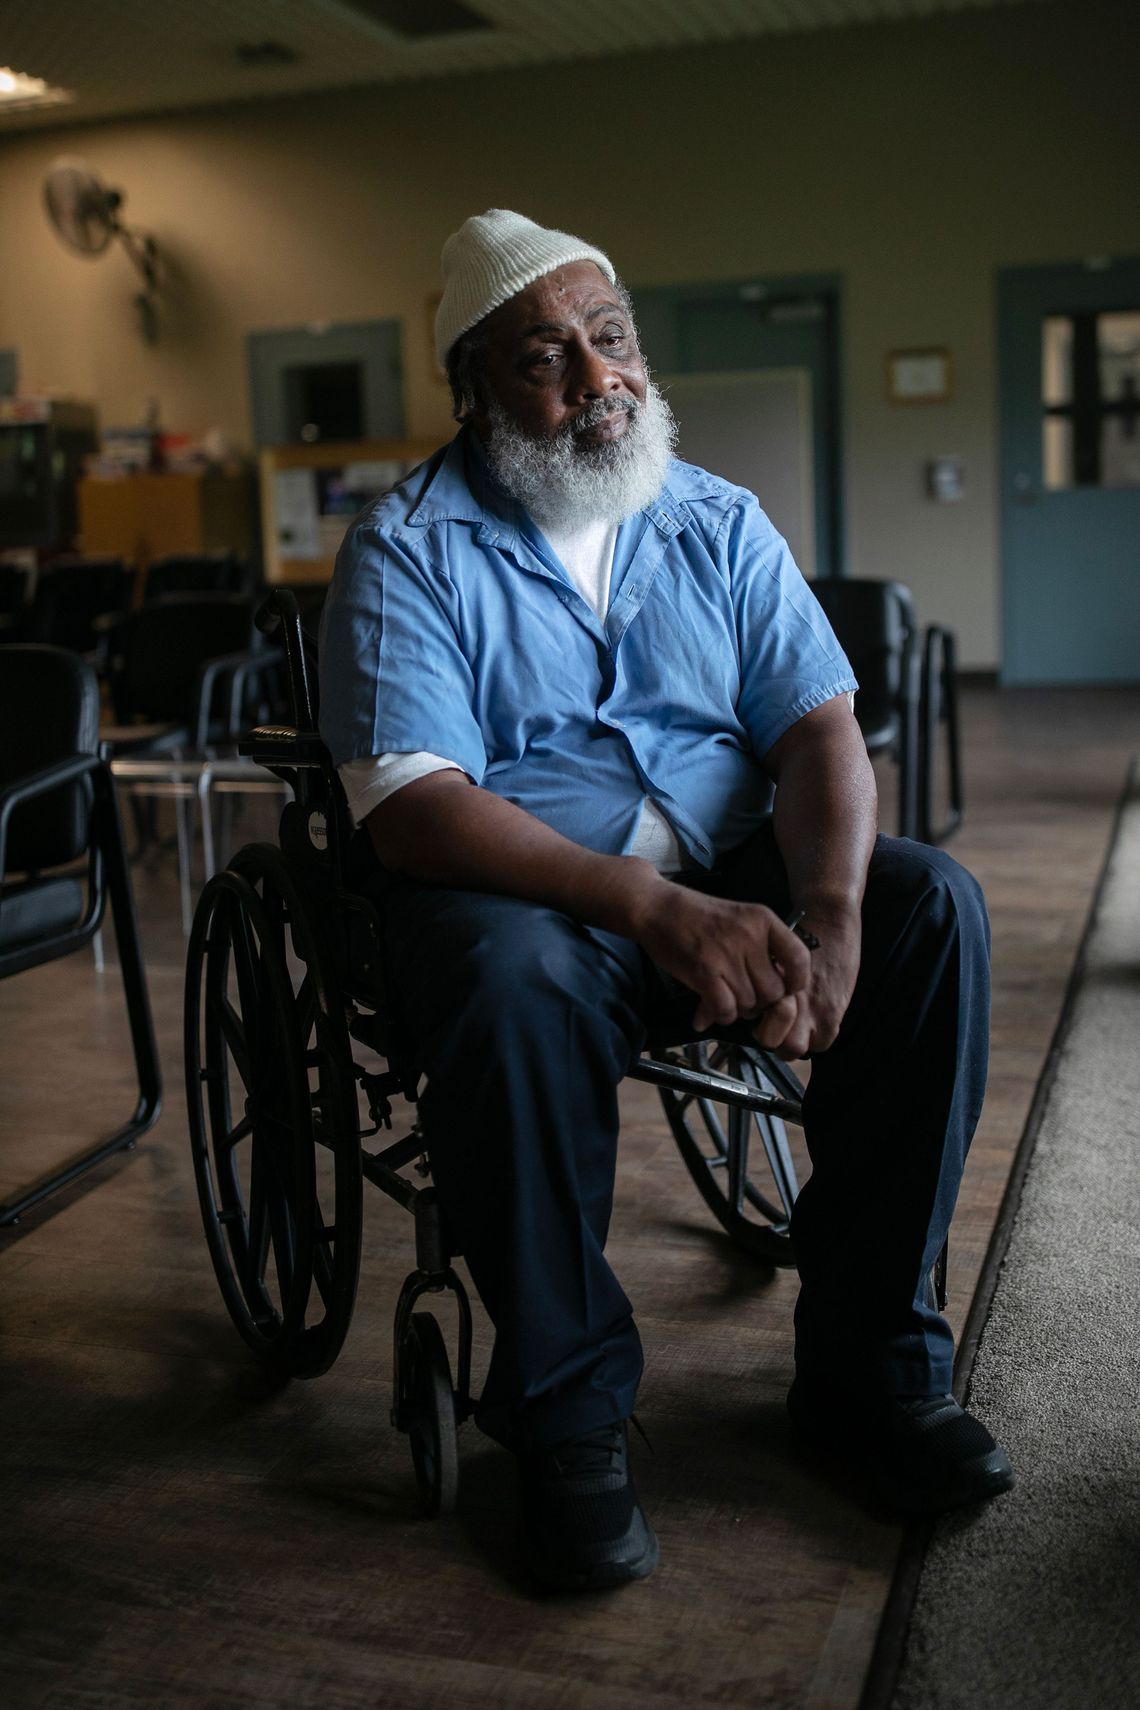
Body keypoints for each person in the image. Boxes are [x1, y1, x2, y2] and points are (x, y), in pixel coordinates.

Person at [319, 209, 1012, 1591]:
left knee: (931, 904)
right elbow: (414, 808)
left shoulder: (712, 518)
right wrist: (645, 907)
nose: (596, 380)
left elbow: (818, 728)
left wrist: (830, 912)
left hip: (722, 863)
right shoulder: (405, 549)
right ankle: (568, 1414)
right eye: (543, 357)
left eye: (610, 337)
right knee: (510, 984)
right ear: (474, 388)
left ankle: (872, 1368)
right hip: (521, 890)